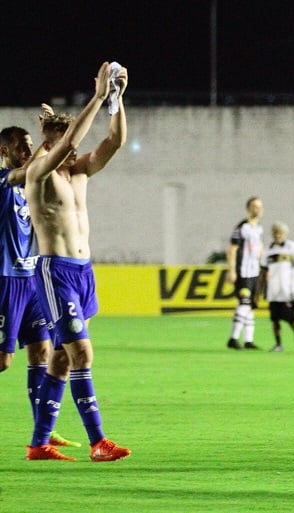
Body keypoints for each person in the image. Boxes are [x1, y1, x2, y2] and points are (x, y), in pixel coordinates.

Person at [25, 61, 131, 461]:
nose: (69, 146)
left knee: (61, 358)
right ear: (48, 141)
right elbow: (69, 142)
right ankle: (98, 442)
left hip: (83, 272)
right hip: (55, 273)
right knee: (81, 353)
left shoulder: (79, 172)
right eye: (59, 139)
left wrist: (116, 101)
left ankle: (39, 443)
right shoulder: (39, 170)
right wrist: (98, 95)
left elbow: (115, 143)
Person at [1, 122, 79, 449]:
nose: (27, 151)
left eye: (30, 145)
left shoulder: (33, 180)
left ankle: (43, 433)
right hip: (5, 279)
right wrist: (50, 141)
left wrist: (52, 141)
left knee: (41, 350)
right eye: (21, 146)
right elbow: (32, 168)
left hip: (31, 278)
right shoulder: (6, 179)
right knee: (4, 361)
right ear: (4, 152)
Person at [261, 221, 294, 352]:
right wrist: (261, 290)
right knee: (274, 320)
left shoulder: (292, 247)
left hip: (288, 290)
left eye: (280, 232)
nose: (277, 235)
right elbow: (263, 271)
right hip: (273, 291)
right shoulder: (268, 249)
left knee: (290, 319)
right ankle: (278, 344)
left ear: (285, 234)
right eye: (275, 232)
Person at [226, 197, 264, 350]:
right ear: (248, 208)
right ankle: (233, 338)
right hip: (243, 272)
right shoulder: (242, 227)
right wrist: (232, 270)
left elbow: (259, 248)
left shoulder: (259, 228)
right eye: (254, 207)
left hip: (255, 272)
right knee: (244, 303)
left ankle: (248, 340)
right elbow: (232, 249)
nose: (258, 209)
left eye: (260, 207)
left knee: (251, 306)